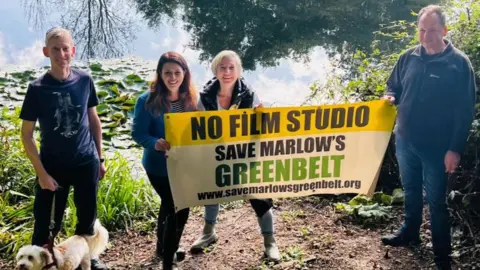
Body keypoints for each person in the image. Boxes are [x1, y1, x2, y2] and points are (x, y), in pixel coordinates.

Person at [381, 5, 476, 270]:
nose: (426, 36)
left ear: (445, 30)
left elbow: (465, 111)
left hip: (437, 148)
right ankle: (409, 233)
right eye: (422, 30)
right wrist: (390, 97)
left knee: (436, 202)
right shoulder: (408, 57)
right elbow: (394, 85)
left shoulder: (458, 63)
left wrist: (454, 149)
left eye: (432, 31)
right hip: (404, 140)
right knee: (411, 191)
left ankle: (442, 258)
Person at [19, 27, 108, 269]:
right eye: (55, 49)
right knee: (46, 222)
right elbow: (27, 135)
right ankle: (39, 261)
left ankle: (89, 256)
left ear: (73, 51)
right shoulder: (37, 89)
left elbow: (93, 120)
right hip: (53, 166)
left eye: (65, 48)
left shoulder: (84, 80)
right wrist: (41, 173)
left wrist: (99, 159)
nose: (61, 53)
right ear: (46, 51)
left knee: (87, 217)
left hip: (85, 161)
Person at [190, 50, 281, 261]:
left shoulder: (249, 95)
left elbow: (261, 127)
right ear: (215, 70)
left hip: (244, 154)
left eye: (232, 68)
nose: (227, 72)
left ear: (239, 71)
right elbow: (198, 129)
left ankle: (270, 242)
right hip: (216, 153)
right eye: (223, 68)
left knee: (259, 196)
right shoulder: (204, 97)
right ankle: (208, 233)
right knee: (212, 192)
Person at [132, 51, 197, 270]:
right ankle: (168, 260)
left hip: (183, 164)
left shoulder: (191, 99)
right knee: (177, 206)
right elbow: (138, 133)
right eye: (167, 72)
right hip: (158, 166)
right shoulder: (147, 100)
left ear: (184, 74)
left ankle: (164, 247)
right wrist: (154, 143)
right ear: (159, 73)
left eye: (177, 72)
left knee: (170, 206)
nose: (172, 77)